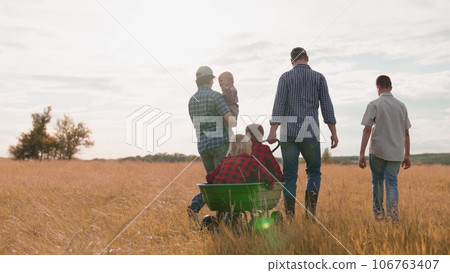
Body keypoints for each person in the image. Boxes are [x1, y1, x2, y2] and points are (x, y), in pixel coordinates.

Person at [267, 47, 338, 219]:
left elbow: (279, 105)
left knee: (290, 175)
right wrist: (333, 132)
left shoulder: (285, 77)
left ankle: (290, 217)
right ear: (307, 58)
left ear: (291, 61)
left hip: (288, 133)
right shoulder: (319, 78)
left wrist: (272, 131)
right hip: (310, 131)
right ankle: (310, 214)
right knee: (313, 172)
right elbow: (327, 107)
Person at [359, 75, 411, 222]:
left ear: (378, 88)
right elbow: (406, 133)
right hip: (396, 152)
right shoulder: (401, 106)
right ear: (391, 87)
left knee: (377, 182)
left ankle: (379, 215)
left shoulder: (374, 104)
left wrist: (361, 153)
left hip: (378, 151)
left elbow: (367, 130)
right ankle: (393, 217)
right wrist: (407, 155)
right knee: (392, 184)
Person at [187, 66, 237, 219]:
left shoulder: (191, 101)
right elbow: (232, 122)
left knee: (214, 182)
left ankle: (214, 216)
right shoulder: (216, 96)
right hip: (220, 144)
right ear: (211, 80)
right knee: (224, 182)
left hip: (203, 146)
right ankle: (224, 217)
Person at [206, 134, 275, 189]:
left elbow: (209, 177)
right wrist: (271, 183)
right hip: (241, 194)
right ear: (248, 148)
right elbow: (265, 175)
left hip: (220, 195)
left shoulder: (224, 161)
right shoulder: (250, 161)